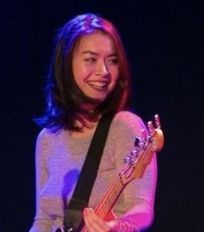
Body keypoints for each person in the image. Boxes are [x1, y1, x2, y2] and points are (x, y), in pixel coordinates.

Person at [29, 13, 157, 232]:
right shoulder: (47, 139)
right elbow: (43, 220)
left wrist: (116, 227)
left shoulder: (126, 127)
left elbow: (142, 209)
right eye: (91, 59)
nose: (104, 72)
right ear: (66, 65)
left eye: (112, 60)